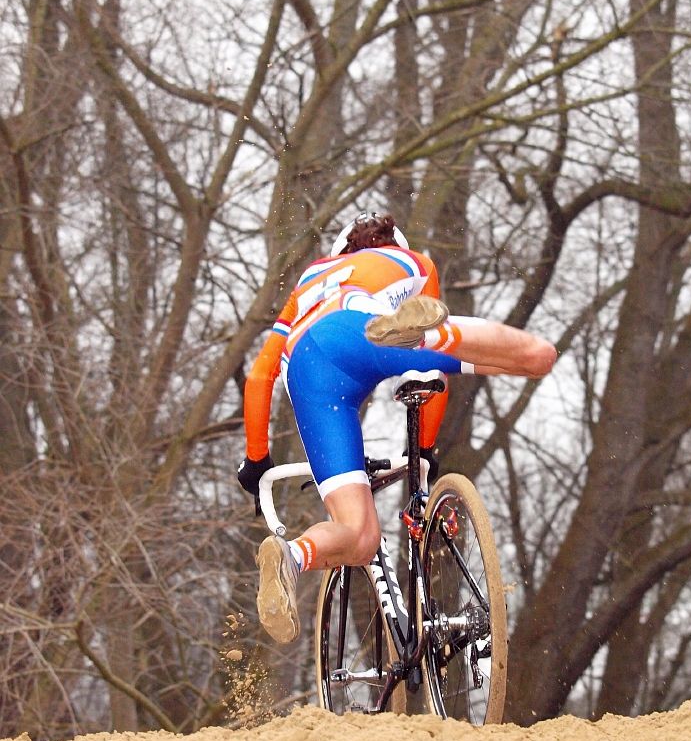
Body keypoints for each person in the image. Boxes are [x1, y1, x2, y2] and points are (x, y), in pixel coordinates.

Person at [236, 212, 556, 643]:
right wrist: (422, 452)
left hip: (309, 368)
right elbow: (436, 388)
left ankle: (292, 557)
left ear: (338, 252)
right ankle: (425, 336)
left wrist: (256, 461)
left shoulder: (308, 281)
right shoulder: (412, 262)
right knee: (538, 356)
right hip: (363, 329)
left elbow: (259, 378)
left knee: (360, 537)